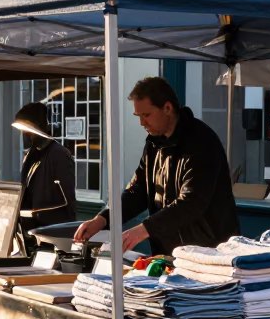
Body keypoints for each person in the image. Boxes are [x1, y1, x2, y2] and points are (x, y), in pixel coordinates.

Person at [74, 76, 239, 255]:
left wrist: (144, 229)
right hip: (168, 251)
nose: (142, 123)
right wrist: (103, 218)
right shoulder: (153, 144)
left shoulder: (202, 141)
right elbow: (137, 191)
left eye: (147, 115)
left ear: (167, 108)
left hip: (209, 253)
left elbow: (192, 202)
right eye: (138, 116)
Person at [12, 102, 77, 229]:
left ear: (37, 127)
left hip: (51, 231)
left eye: (27, 130)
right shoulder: (31, 156)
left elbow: (68, 203)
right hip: (29, 228)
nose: (25, 134)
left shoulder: (59, 155)